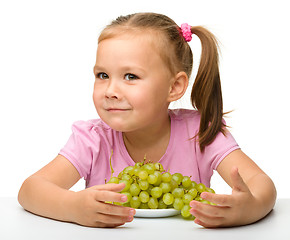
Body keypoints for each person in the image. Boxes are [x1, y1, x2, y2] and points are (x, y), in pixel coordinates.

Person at [18, 12, 276, 228]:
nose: (110, 90)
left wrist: (250, 208)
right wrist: (73, 207)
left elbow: (261, 184)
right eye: (103, 75)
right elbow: (30, 190)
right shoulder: (92, 139)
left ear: (174, 87)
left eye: (130, 76)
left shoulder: (198, 132)